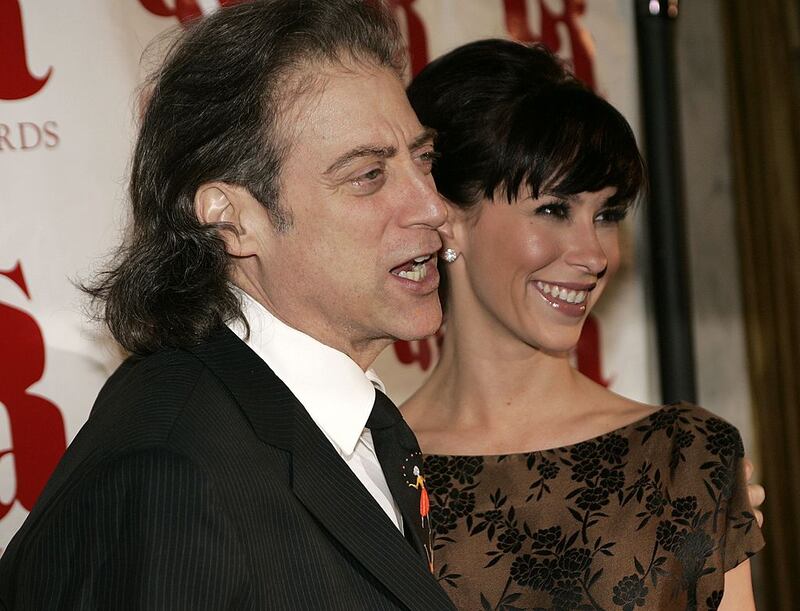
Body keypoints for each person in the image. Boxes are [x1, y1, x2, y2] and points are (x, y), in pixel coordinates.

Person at [0, 2, 457, 609]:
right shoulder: (170, 472)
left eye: (422, 160)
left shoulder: (354, 419)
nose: (431, 206)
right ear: (232, 220)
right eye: (369, 175)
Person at [402, 39, 764, 610]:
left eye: (607, 215)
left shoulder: (684, 459)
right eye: (554, 209)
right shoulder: (367, 481)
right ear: (448, 220)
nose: (594, 254)